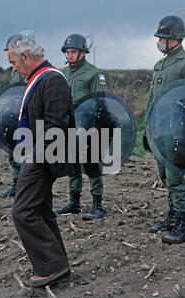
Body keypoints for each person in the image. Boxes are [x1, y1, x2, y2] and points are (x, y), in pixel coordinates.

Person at [8, 35, 76, 287]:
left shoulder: (52, 80)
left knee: (22, 211)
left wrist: (36, 158)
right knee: (39, 210)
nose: (13, 68)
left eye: (14, 62)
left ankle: (52, 267)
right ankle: (57, 266)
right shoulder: (39, 79)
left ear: (25, 57)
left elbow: (56, 127)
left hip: (43, 156)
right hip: (35, 154)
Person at [144, 12, 185, 244]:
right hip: (159, 130)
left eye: (162, 38)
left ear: (175, 38)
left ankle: (182, 222)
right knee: (164, 176)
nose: (159, 41)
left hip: (178, 130)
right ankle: (171, 215)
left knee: (175, 177)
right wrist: (147, 126)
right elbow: (152, 97)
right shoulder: (160, 65)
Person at [55, 33, 107, 220]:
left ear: (83, 52)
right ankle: (74, 202)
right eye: (68, 52)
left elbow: (100, 102)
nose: (70, 55)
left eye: (73, 51)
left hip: (88, 124)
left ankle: (97, 205)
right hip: (69, 125)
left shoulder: (93, 73)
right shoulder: (63, 73)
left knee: (91, 164)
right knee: (72, 164)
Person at [0, 33, 24, 198]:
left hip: (27, 116)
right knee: (13, 152)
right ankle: (16, 184)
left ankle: (27, 187)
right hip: (14, 116)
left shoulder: (30, 67)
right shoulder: (14, 70)